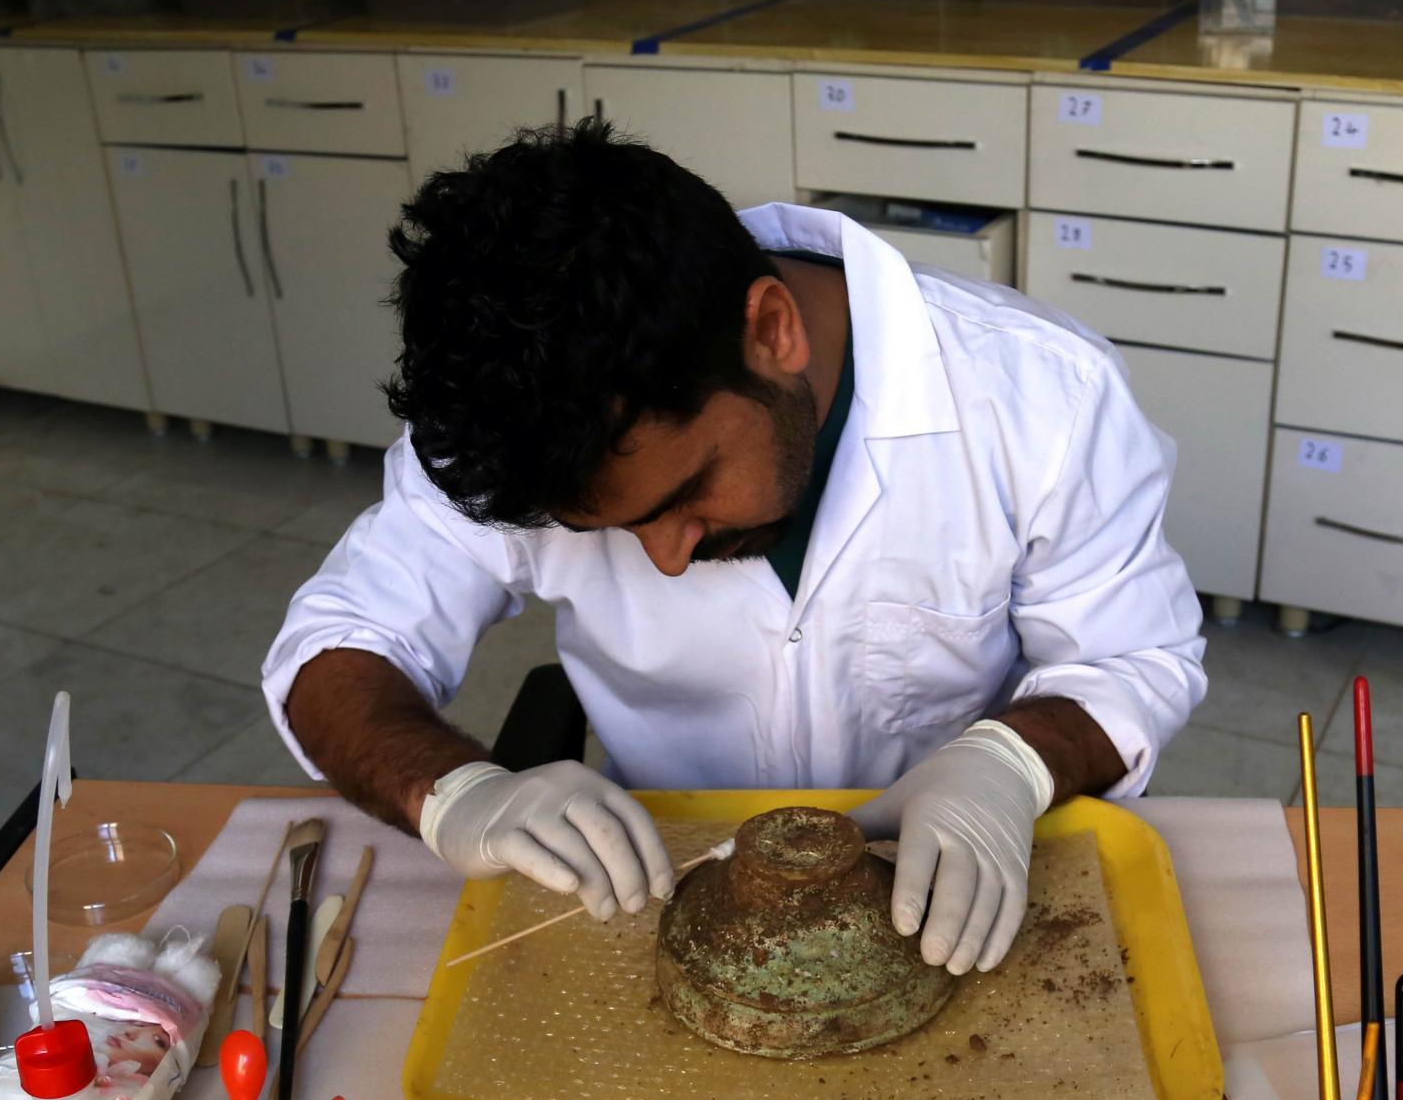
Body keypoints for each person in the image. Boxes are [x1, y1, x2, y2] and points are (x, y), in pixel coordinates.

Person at [265, 119, 1206, 977]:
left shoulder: (1041, 397)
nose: (666, 560)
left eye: (684, 495)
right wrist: (454, 791)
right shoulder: (511, 425)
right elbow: (334, 650)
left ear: (772, 329)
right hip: (660, 889)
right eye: (617, 531)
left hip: (946, 897)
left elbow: (1132, 658)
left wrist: (1009, 763)